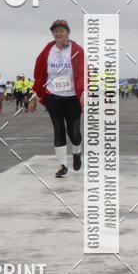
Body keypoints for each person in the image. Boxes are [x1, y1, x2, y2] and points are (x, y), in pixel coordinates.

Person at [33, 19, 85, 178]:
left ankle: (77, 152)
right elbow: (40, 71)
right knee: (58, 128)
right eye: (56, 31)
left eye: (62, 30)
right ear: (53, 33)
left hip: (72, 97)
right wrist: (36, 92)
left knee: (74, 131)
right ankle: (62, 165)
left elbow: (82, 72)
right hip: (53, 95)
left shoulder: (77, 50)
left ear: (67, 32)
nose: (59, 33)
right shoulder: (48, 50)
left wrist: (83, 92)